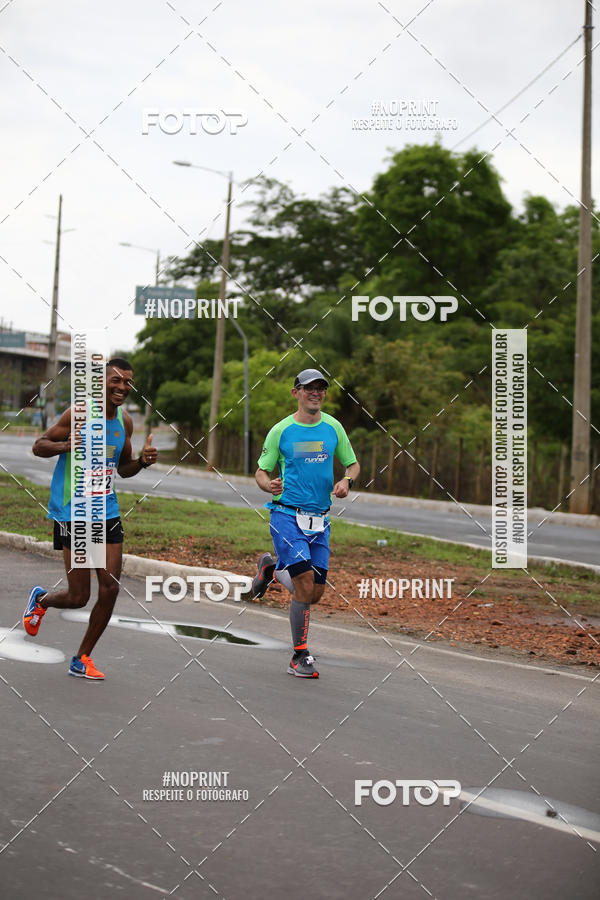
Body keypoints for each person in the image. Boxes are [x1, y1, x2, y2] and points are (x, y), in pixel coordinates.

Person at [23, 358, 157, 680]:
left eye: (127, 382)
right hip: (73, 510)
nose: (122, 387)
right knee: (78, 596)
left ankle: (82, 658)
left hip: (107, 509)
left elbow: (123, 468)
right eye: (116, 380)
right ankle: (41, 599)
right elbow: (38, 446)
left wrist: (142, 462)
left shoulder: (124, 422)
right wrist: (67, 445)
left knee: (110, 588)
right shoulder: (78, 414)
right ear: (102, 382)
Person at [252, 368, 360, 678]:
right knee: (304, 585)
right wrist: (266, 485)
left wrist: (346, 481)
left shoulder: (333, 428)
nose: (315, 393)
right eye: (308, 388)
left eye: (320, 388)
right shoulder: (281, 431)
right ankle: (299, 656)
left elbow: (352, 465)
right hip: (286, 516)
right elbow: (261, 470)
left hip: (321, 521)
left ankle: (271, 571)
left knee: (315, 593)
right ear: (295, 392)